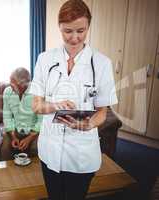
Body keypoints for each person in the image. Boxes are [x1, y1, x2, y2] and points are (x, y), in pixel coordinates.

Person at [29, 0, 118, 199]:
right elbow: (35, 105)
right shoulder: (45, 59)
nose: (75, 38)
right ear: (59, 27)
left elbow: (102, 111)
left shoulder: (102, 64)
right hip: (50, 149)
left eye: (81, 30)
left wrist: (89, 124)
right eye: (68, 31)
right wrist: (54, 105)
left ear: (88, 27)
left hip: (82, 152)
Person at [1, 67, 42, 160]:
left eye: (13, 83)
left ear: (23, 84)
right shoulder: (7, 91)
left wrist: (30, 138)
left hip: (34, 131)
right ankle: (8, 174)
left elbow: (41, 120)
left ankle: (33, 174)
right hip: (15, 130)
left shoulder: (37, 92)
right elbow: (7, 116)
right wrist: (13, 136)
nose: (10, 85)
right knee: (5, 150)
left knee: (35, 149)